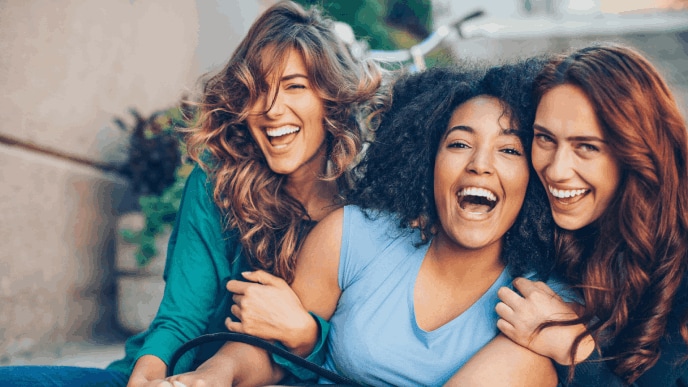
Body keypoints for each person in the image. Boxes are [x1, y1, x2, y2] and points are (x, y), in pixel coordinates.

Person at [0, 1, 386, 386]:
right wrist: (148, 375)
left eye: (294, 86)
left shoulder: (367, 216)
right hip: (178, 372)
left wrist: (307, 335)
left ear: (332, 99)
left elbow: (366, 353)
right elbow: (180, 317)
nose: (271, 109)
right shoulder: (218, 184)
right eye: (257, 90)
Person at [168, 60, 573, 386]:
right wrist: (210, 377)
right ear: (426, 162)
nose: (480, 165)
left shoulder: (542, 302)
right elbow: (267, 351)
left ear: (536, 176)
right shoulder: (354, 235)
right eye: (459, 144)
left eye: (509, 149)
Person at [494, 43, 688, 386]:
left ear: (636, 150)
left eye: (586, 146)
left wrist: (575, 351)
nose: (556, 169)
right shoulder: (549, 225)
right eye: (545, 138)